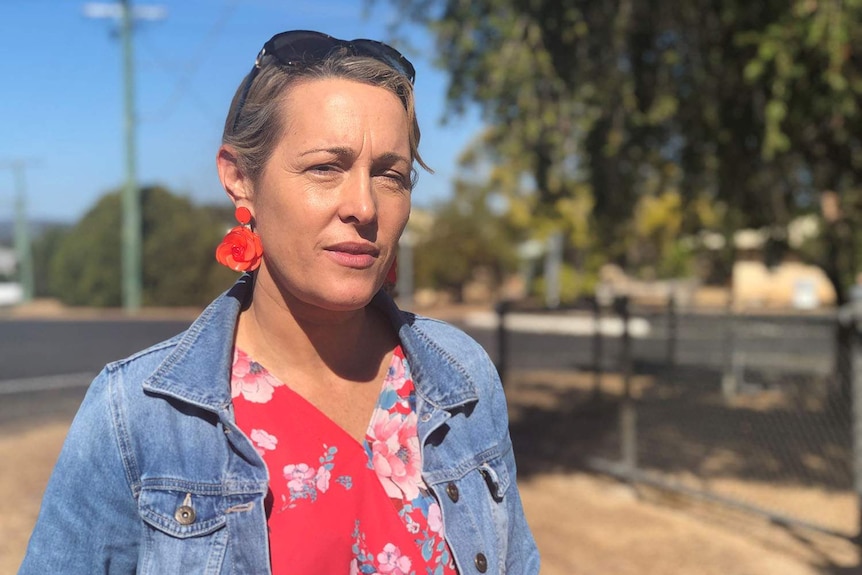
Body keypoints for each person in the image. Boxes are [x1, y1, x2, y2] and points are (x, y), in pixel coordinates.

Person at [19, 30, 540, 575]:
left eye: (391, 175)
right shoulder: (138, 417)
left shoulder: (461, 380)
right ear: (240, 179)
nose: (363, 206)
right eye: (324, 168)